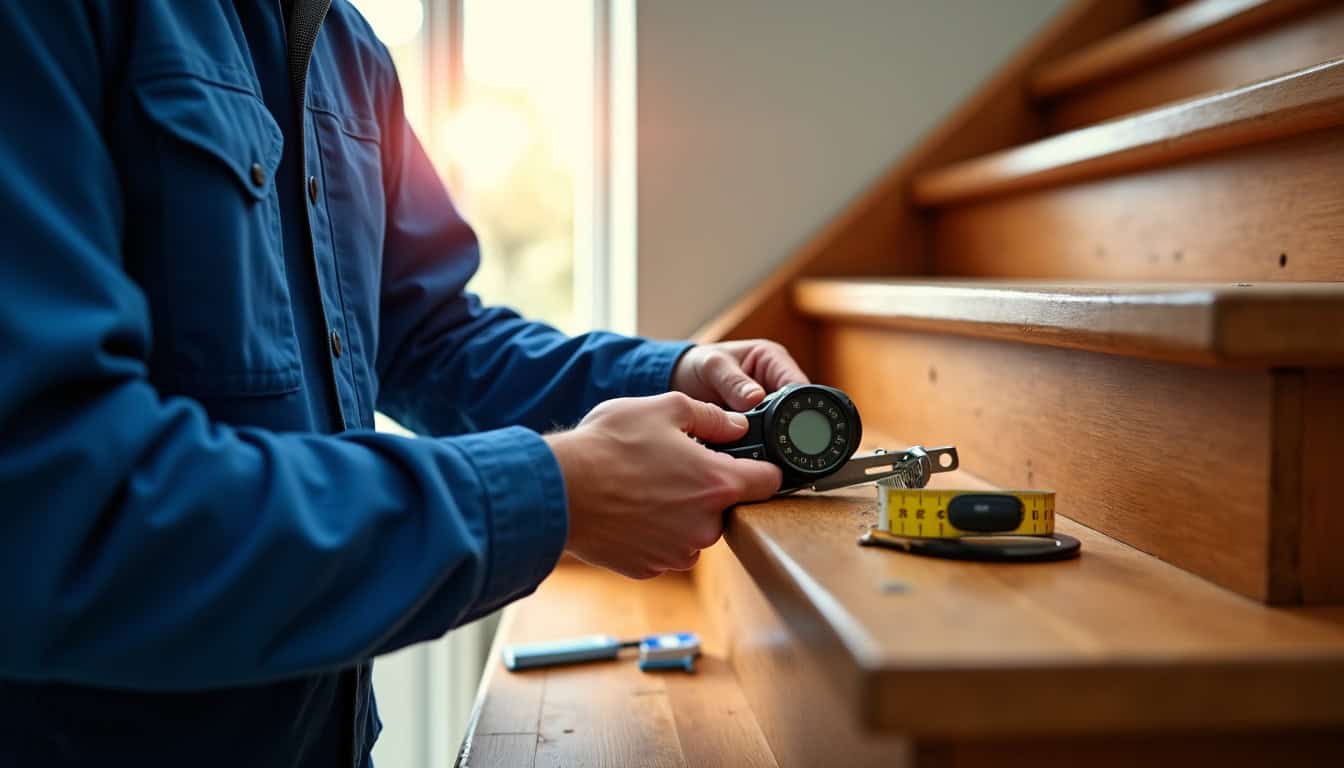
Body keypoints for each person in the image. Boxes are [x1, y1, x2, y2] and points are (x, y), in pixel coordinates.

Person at [0, 2, 806, 766]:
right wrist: (554, 492)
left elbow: (424, 334)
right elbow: (59, 504)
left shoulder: (347, 49)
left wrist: (667, 374)